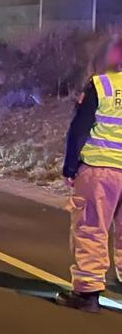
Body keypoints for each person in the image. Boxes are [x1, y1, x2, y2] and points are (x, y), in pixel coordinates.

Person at [56, 36, 122, 313]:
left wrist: (70, 167)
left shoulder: (102, 85)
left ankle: (88, 293)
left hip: (100, 170)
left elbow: (80, 128)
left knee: (91, 228)